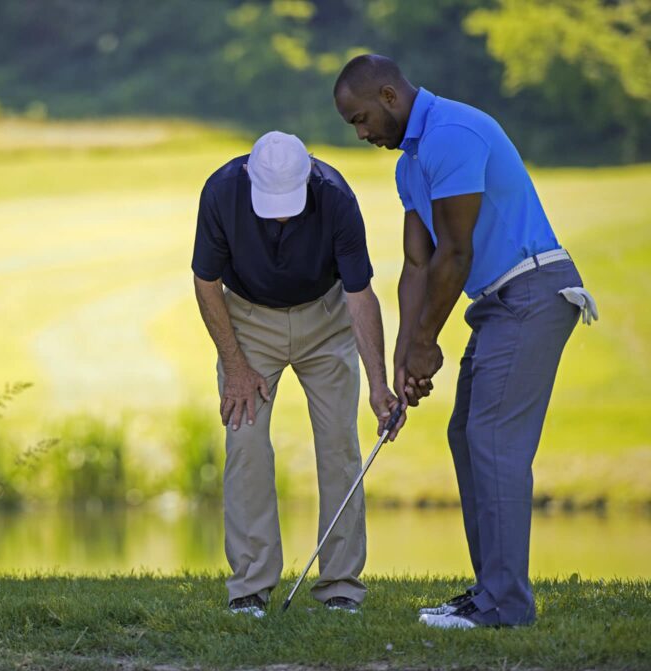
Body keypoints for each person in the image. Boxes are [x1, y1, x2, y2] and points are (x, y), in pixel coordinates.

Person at [333, 55, 597, 629]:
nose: (361, 134)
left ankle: (506, 605)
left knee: (493, 438)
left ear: (388, 95)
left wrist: (428, 342)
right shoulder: (412, 163)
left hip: (531, 291)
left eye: (360, 119)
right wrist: (406, 354)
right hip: (498, 303)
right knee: (468, 434)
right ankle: (489, 593)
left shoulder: (452, 134)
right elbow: (416, 262)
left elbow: (457, 253)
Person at [192, 130, 403, 617]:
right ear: (250, 176)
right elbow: (206, 284)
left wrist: (378, 385)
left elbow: (359, 295)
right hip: (247, 321)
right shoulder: (222, 191)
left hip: (326, 320)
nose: (282, 213)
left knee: (339, 445)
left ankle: (341, 587)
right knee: (244, 442)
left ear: (309, 175)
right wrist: (236, 367)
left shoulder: (335, 197)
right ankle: (250, 586)